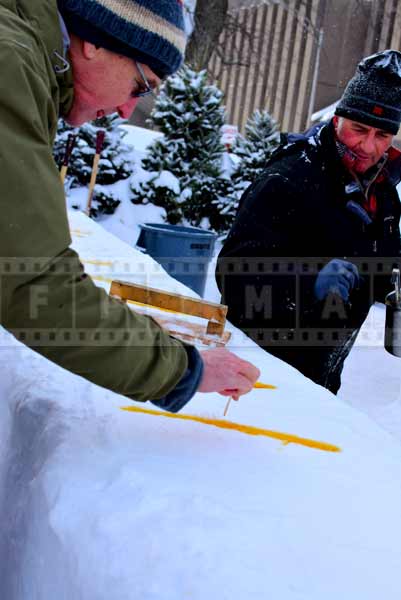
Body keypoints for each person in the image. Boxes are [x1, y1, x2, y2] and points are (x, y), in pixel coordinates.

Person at [0, 0, 259, 412]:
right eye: (141, 85)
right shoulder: (10, 66)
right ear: (96, 44)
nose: (127, 109)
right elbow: (34, 282)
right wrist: (184, 370)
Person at [217, 50, 401, 394]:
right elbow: (233, 274)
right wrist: (308, 281)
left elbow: (380, 269)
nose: (368, 146)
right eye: (358, 129)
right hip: (260, 374)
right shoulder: (289, 178)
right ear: (337, 121)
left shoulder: (384, 194)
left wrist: (394, 282)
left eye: (382, 136)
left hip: (322, 382)